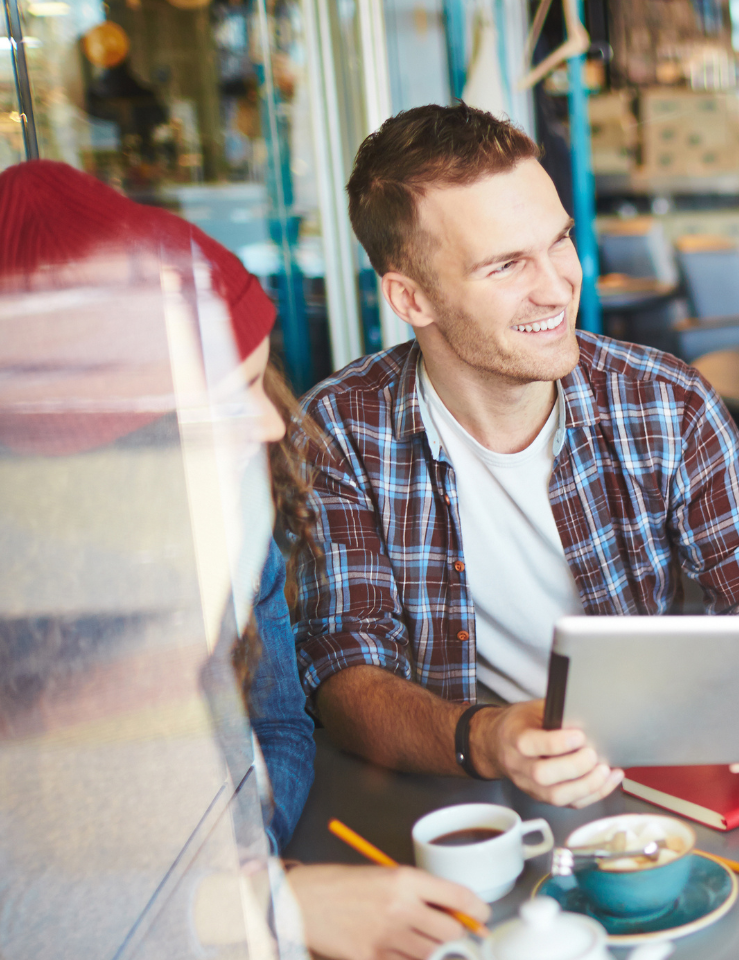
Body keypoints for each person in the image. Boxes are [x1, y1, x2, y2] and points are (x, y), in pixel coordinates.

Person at [290, 103, 739, 809]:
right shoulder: (339, 430)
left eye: (558, 241)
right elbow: (345, 675)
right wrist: (489, 739)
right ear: (412, 297)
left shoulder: (666, 403)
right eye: (506, 265)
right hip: (449, 797)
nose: (557, 286)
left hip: (642, 788)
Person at [0, 159, 492, 960]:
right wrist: (259, 907)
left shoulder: (219, 529)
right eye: (226, 398)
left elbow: (274, 729)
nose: (271, 426)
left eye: (261, 378)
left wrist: (246, 879)